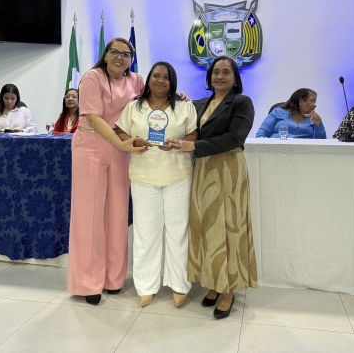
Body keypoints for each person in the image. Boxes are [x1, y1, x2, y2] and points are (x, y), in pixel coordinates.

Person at [168, 56, 257, 320]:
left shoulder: (241, 102)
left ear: (235, 77)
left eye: (226, 72)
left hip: (228, 169)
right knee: (207, 228)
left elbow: (235, 138)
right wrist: (179, 98)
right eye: (216, 72)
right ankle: (214, 282)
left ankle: (228, 290)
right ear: (209, 77)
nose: (219, 76)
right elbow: (181, 117)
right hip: (203, 170)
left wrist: (194, 146)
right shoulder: (200, 104)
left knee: (229, 228)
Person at [67, 37, 147, 306]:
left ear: (131, 60)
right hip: (91, 146)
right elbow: (94, 116)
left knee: (117, 213)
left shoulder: (137, 80)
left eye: (126, 54)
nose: (119, 57)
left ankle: (113, 279)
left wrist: (179, 97)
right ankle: (89, 283)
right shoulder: (92, 77)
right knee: (89, 215)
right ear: (106, 54)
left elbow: (152, 104)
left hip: (121, 149)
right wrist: (118, 143)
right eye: (114, 52)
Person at [116, 62, 198, 308]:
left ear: (173, 82)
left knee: (178, 232)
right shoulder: (133, 107)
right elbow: (120, 132)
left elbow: (194, 134)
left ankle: (179, 284)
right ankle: (146, 286)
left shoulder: (185, 106)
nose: (161, 80)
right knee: (145, 233)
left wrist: (178, 143)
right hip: (144, 177)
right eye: (156, 76)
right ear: (149, 79)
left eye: (166, 77)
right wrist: (133, 141)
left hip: (178, 175)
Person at [256, 88, 326, 139]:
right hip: (276, 151)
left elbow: (322, 143)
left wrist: (318, 124)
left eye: (315, 102)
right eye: (312, 101)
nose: (315, 105)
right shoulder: (278, 112)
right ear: (300, 101)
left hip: (303, 152)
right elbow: (260, 134)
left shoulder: (314, 119)